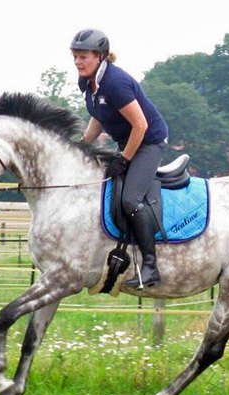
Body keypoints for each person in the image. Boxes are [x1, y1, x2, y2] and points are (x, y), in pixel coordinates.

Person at [71, 28, 169, 289]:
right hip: (130, 143)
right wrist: (81, 145)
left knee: (130, 200)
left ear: (101, 56)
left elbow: (141, 126)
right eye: (76, 57)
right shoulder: (89, 83)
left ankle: (150, 267)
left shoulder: (115, 83)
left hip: (149, 142)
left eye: (84, 57)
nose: (79, 62)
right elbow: (98, 116)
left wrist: (123, 160)